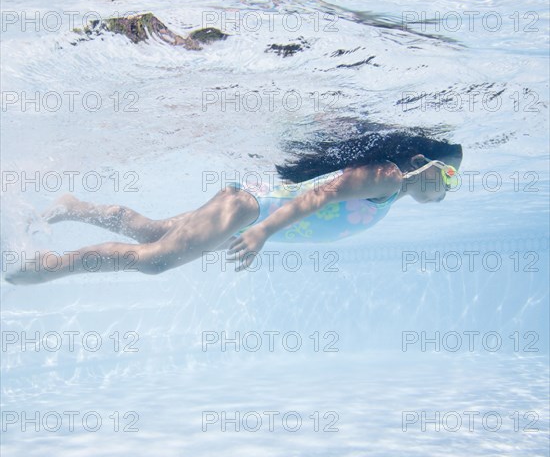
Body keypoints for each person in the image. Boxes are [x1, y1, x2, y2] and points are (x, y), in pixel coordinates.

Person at [5, 127, 462, 285]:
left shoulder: (389, 190)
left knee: (153, 233)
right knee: (153, 261)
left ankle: (72, 206)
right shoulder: (387, 177)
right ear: (425, 164)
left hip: (251, 204)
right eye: (449, 176)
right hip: (250, 210)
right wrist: (261, 231)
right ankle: (47, 266)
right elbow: (319, 195)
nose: (448, 188)